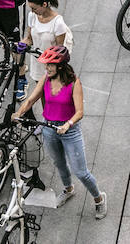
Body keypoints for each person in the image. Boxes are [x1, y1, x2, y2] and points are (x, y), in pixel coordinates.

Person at [13, 45, 109, 218]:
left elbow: (80, 112)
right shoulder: (46, 79)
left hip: (69, 131)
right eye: (46, 64)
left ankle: (99, 199)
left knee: (81, 172)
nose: (47, 68)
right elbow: (31, 99)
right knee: (59, 163)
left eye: (50, 65)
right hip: (49, 127)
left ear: (61, 66)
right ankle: (68, 189)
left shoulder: (74, 83)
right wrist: (18, 113)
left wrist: (68, 124)